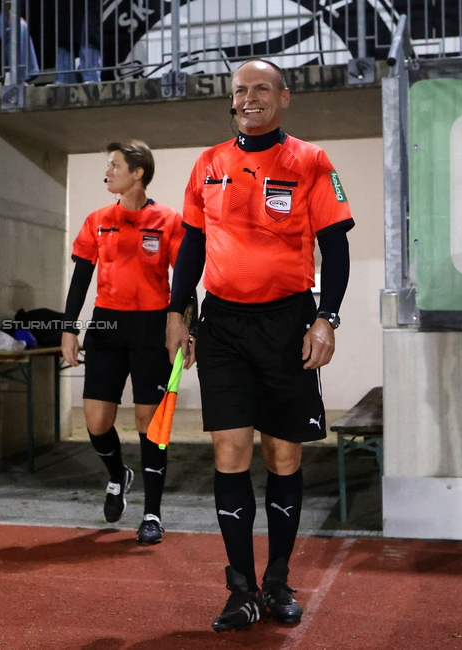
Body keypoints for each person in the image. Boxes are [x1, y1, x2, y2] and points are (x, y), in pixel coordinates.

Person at [166, 59, 354, 632]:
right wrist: (179, 313)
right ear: (232, 100)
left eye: (262, 89)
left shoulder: (312, 161)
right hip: (222, 328)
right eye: (241, 90)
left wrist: (327, 319)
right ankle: (241, 589)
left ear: (284, 97)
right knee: (229, 453)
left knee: (285, 456)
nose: (249, 98)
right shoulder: (208, 164)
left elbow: (336, 250)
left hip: (287, 326)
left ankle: (277, 581)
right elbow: (192, 249)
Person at [61, 140, 185, 545]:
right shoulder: (97, 219)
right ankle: (118, 476)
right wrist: (69, 329)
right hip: (107, 327)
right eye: (107, 165)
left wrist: (187, 326)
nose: (107, 172)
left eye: (115, 165)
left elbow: (183, 283)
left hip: (152, 328)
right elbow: (81, 278)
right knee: (97, 421)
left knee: (150, 427)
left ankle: (152, 513)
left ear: (138, 172)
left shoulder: (168, 220)